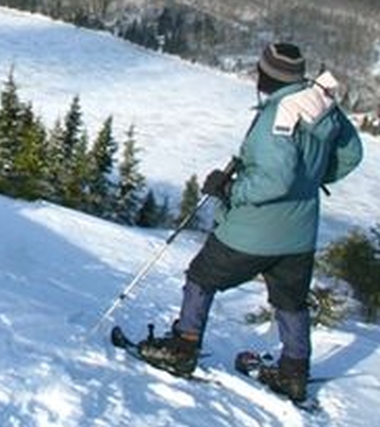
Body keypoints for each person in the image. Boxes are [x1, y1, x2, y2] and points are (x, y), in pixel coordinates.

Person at [137, 42, 363, 402]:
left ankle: (183, 346)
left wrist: (231, 191)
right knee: (290, 301)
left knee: (201, 276)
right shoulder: (321, 105)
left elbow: (276, 179)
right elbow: (352, 154)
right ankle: (293, 373)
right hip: (300, 233)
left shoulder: (277, 116)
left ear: (267, 75)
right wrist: (313, 175)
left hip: (253, 230)